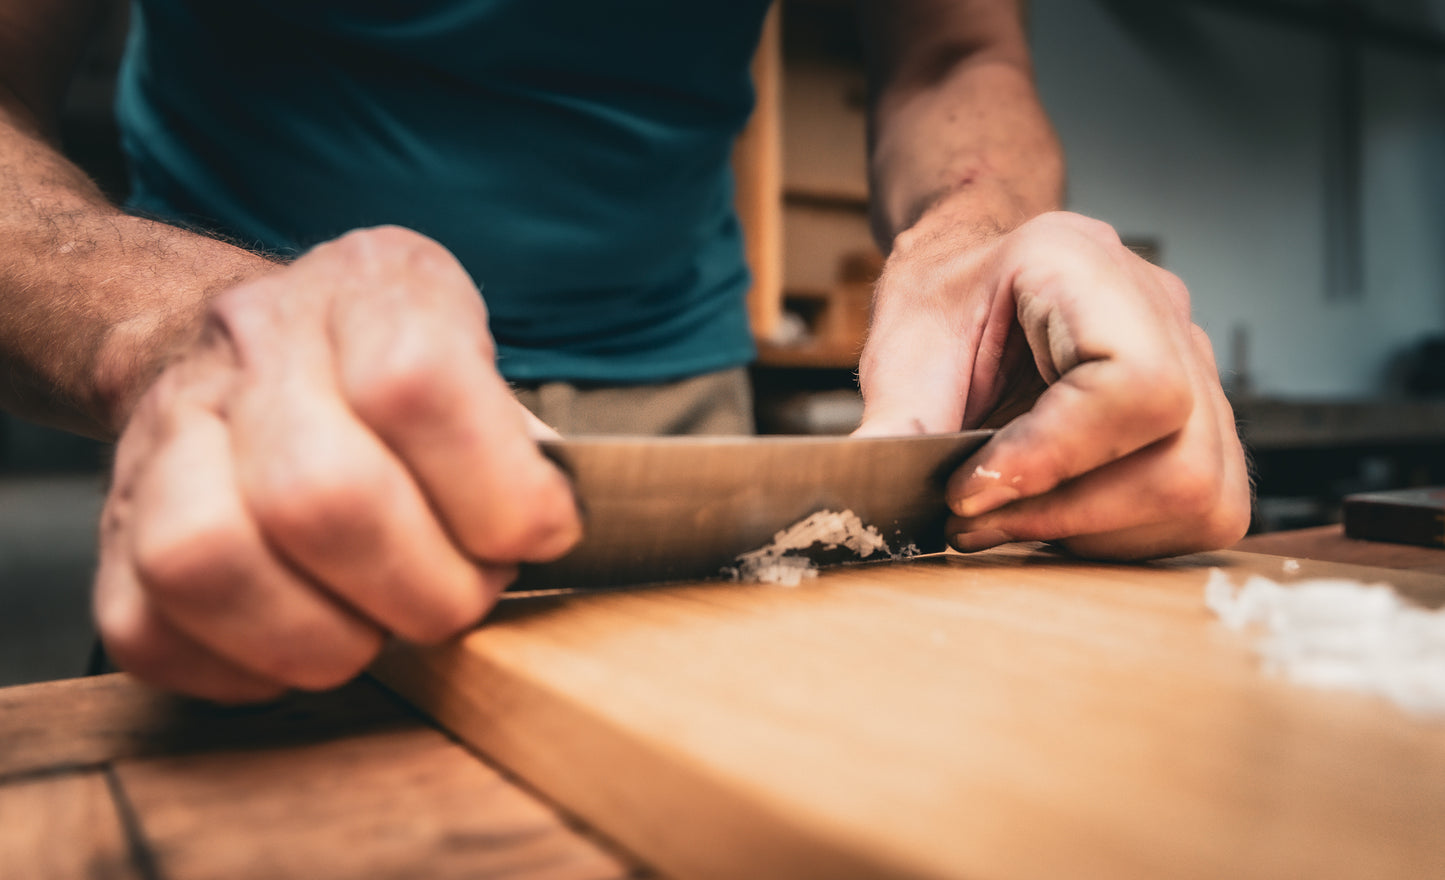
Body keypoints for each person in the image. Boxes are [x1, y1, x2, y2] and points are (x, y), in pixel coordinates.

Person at [0, 1, 1250, 702]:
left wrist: (977, 235)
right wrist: (169, 330)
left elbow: (951, 52)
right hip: (269, 415)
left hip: (686, 409)